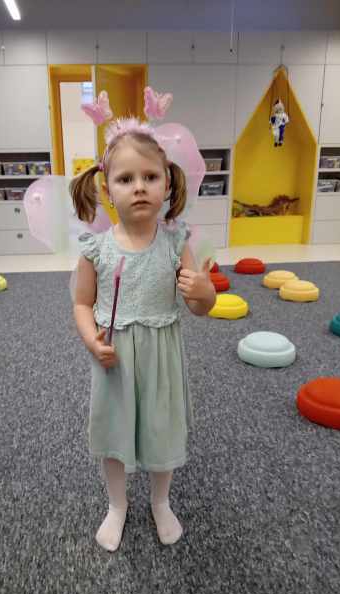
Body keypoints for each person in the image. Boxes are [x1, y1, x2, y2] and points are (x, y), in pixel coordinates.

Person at [70, 113, 216, 552]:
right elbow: (81, 303)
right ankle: (116, 505)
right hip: (115, 361)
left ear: (166, 184)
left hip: (161, 360)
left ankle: (160, 501)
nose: (139, 187)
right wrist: (91, 340)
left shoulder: (176, 243)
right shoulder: (96, 248)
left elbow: (199, 307)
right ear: (106, 188)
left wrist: (205, 292)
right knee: (115, 436)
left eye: (150, 177)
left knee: (160, 431)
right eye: (126, 178)